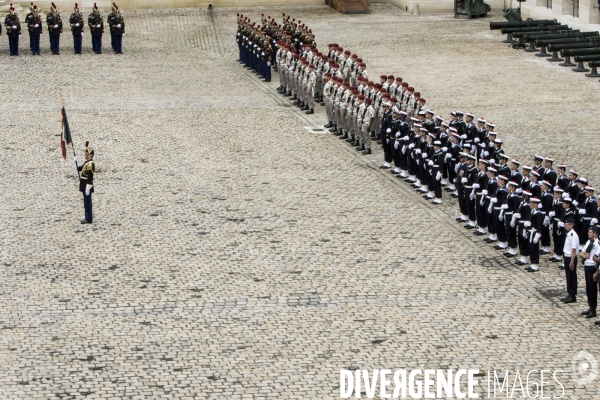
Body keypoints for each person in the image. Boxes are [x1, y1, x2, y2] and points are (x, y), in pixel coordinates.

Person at [580, 226, 599, 319]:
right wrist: (584, 256)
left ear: (595, 233)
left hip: (592, 267)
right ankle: (590, 306)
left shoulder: (597, 244)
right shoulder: (589, 242)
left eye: (591, 232)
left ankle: (593, 309)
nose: (588, 233)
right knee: (588, 288)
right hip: (587, 266)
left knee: (592, 288)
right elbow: (581, 253)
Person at [561, 217, 579, 303]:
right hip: (567, 256)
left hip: (571, 257)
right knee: (568, 276)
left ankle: (572, 294)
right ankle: (569, 293)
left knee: (572, 276)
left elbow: (574, 250)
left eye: (567, 225)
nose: (565, 226)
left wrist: (572, 262)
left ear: (571, 225)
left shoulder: (573, 235)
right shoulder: (568, 234)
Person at [77, 144, 95, 224]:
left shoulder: (90, 164)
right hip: (84, 184)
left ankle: (88, 218)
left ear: (90, 155)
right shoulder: (87, 163)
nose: (85, 155)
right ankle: (87, 217)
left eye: (86, 154)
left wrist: (88, 186)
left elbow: (90, 177)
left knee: (87, 203)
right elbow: (81, 168)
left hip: (87, 185)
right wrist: (76, 164)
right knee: (85, 202)